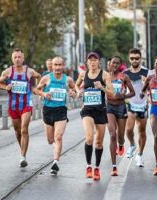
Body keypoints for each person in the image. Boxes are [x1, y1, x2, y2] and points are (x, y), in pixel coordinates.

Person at [0, 48, 41, 167]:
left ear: (23, 58)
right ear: (12, 59)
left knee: (24, 129)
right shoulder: (7, 72)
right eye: (15, 57)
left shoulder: (29, 71)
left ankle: (22, 156)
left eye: (19, 57)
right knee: (17, 131)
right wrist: (6, 87)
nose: (17, 59)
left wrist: (36, 88)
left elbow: (39, 76)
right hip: (13, 105)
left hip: (26, 104)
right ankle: (23, 151)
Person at [75, 51, 114, 181]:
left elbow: (112, 93)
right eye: (90, 60)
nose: (92, 62)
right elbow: (76, 85)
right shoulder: (83, 74)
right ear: (87, 62)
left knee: (98, 142)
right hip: (87, 110)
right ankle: (88, 166)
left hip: (101, 110)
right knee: (89, 137)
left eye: (95, 60)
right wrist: (78, 91)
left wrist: (102, 88)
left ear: (99, 62)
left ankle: (97, 167)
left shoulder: (105, 75)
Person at [36, 57, 76, 175]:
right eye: (55, 65)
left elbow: (74, 90)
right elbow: (37, 90)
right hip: (48, 110)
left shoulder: (67, 79)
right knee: (50, 139)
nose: (58, 67)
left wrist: (73, 93)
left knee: (58, 137)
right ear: (52, 66)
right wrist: (44, 93)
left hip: (61, 110)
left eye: (60, 65)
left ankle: (55, 162)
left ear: (63, 66)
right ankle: (55, 150)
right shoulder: (46, 78)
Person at [106, 56, 135, 176]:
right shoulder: (106, 76)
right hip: (110, 108)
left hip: (121, 107)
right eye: (113, 63)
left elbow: (132, 92)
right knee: (113, 135)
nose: (115, 65)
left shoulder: (124, 77)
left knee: (120, 137)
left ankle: (122, 144)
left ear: (120, 65)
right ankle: (114, 166)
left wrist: (123, 96)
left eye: (117, 63)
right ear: (110, 64)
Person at [124, 48, 149, 167]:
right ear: (129, 59)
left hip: (143, 105)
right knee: (129, 129)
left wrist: (146, 85)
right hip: (130, 104)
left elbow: (151, 89)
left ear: (140, 59)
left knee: (142, 131)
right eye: (132, 58)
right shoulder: (125, 73)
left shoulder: (147, 73)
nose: (134, 60)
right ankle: (132, 144)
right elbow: (122, 90)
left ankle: (140, 155)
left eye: (137, 58)